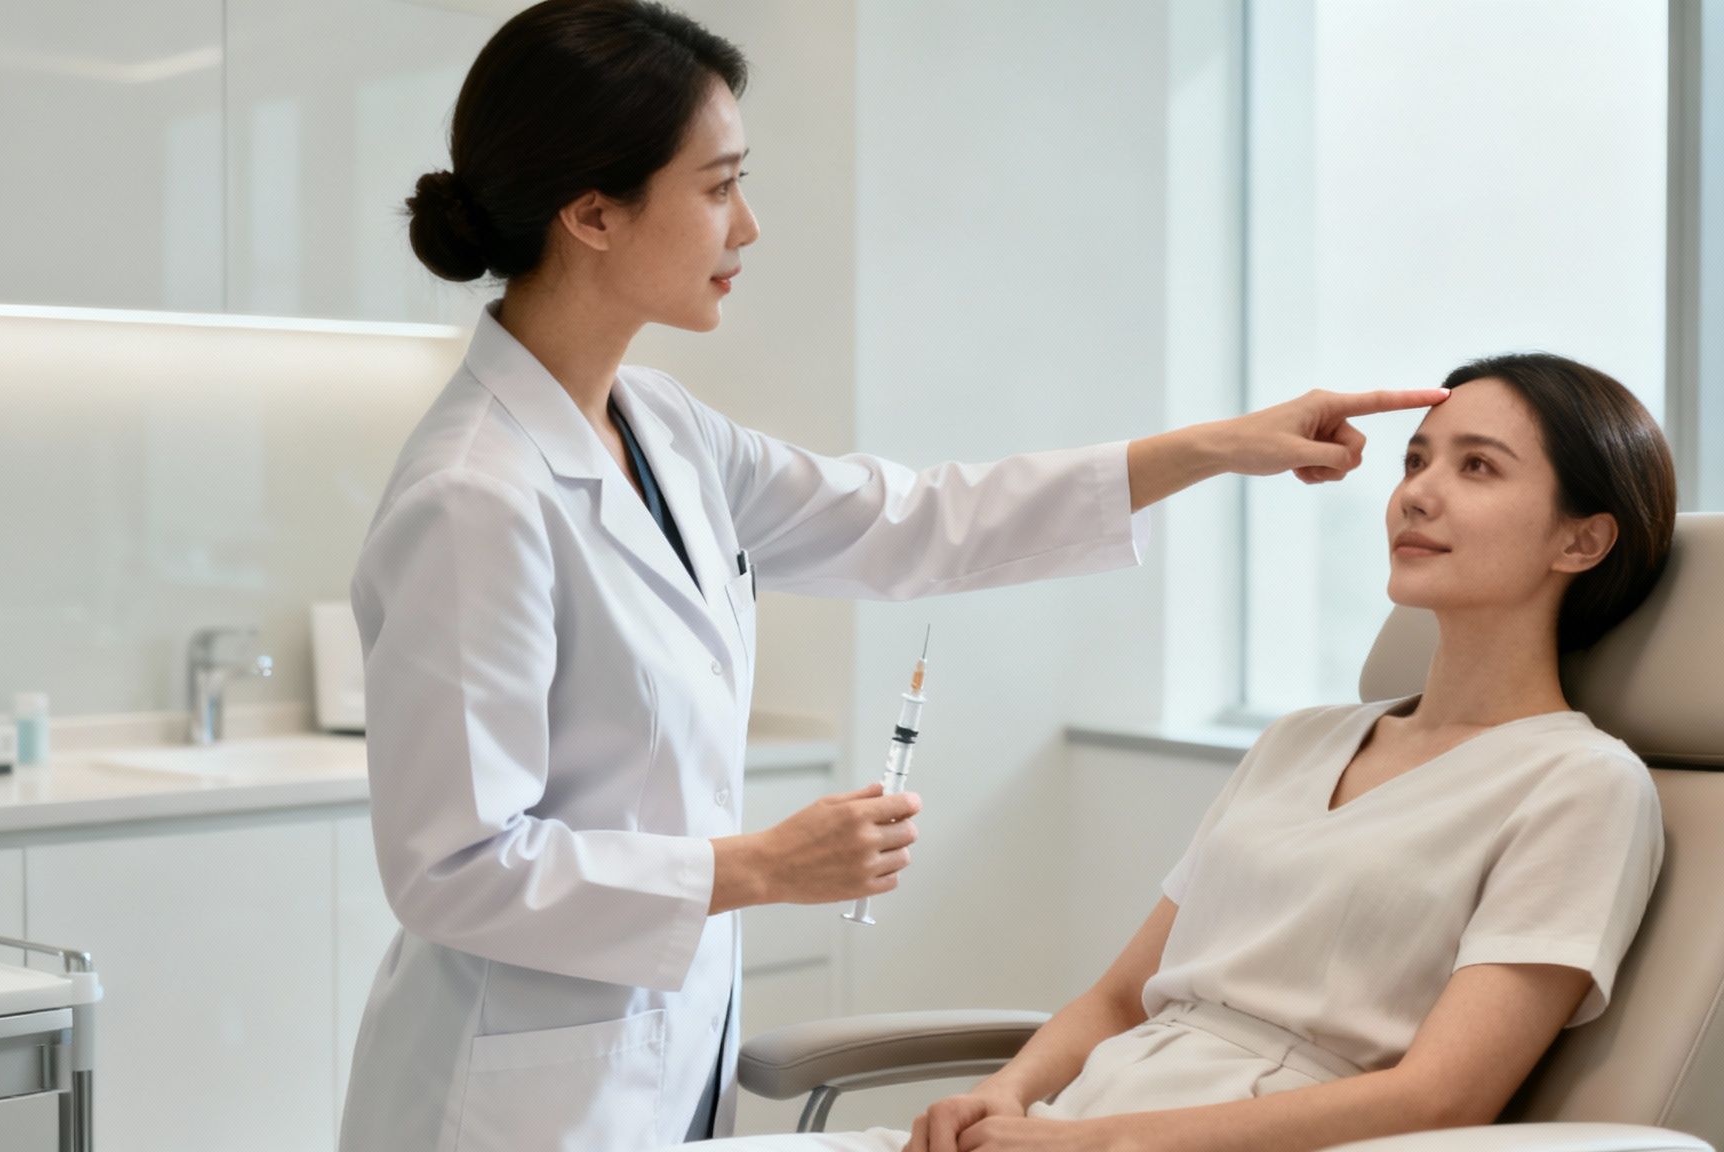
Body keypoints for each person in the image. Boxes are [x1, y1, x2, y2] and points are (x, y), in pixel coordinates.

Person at [335, 2, 1446, 1150]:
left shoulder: (657, 424)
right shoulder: (475, 494)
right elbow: (456, 872)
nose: (748, 225)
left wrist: (1216, 446)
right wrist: (758, 866)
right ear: (592, 213)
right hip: (503, 1101)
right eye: (718, 188)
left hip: (642, 1062)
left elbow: (908, 522)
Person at [682, 352, 1676, 1152]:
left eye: (1475, 467)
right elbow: (1119, 997)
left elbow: (1437, 1100)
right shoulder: (1302, 739)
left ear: (1579, 543)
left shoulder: (1579, 786)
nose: (1415, 494)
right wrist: (999, 1097)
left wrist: (1108, 1145)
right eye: (1415, 459)